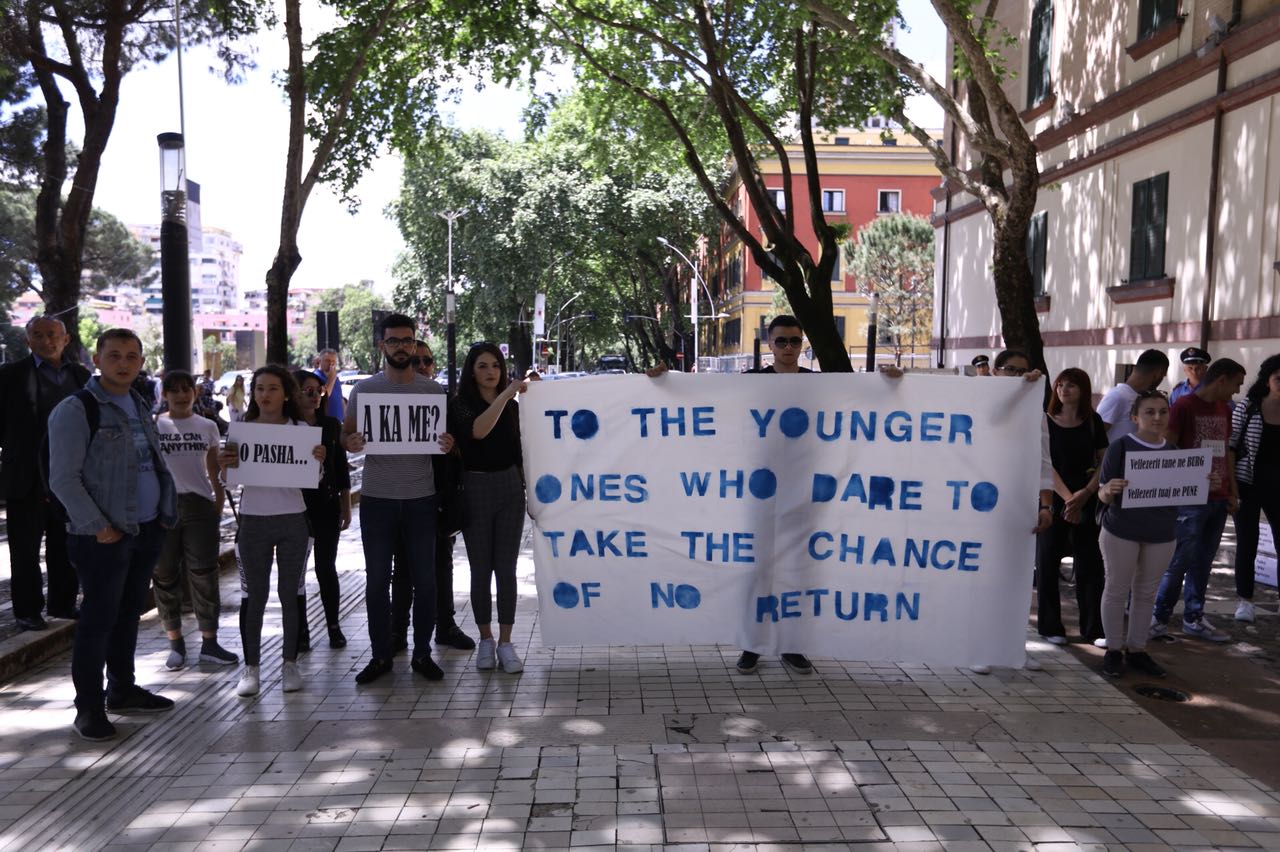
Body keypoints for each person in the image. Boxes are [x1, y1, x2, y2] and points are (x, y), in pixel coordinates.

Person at [48, 328, 178, 741]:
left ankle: (121, 688)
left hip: (145, 529)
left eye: (132, 356)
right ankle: (88, 706)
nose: (124, 363)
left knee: (127, 616)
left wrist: (161, 514)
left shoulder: (139, 403)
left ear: (141, 362)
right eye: (115, 355)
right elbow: (63, 480)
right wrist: (100, 527)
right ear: (97, 360)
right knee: (97, 621)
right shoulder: (76, 409)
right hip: (103, 536)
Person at [342, 315, 455, 684]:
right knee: (377, 582)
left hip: (422, 498)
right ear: (383, 346)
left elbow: (443, 441)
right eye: (394, 341)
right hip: (377, 499)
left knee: (425, 581)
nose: (401, 347)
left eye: (407, 341)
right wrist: (351, 443)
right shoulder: (363, 391)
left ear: (414, 343)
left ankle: (422, 653)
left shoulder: (432, 392)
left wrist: (448, 445)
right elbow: (346, 437)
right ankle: (380, 656)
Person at [219, 366, 324, 697]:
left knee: (290, 593)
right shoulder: (242, 431)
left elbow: (314, 480)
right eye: (259, 388)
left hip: (293, 520)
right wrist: (225, 465)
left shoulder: (300, 429)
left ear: (286, 394)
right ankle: (251, 669)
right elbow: (230, 482)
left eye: (272, 388)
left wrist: (318, 460)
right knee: (255, 596)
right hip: (253, 521)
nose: (265, 395)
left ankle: (289, 664)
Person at [1095, 389, 1213, 678]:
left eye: (1163, 411)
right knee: (1116, 589)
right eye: (1150, 412)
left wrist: (1205, 481)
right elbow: (1101, 493)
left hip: (1162, 533)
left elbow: (1185, 493)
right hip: (1121, 530)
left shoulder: (1174, 454)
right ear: (1135, 417)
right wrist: (1109, 490)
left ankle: (1137, 650)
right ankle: (1113, 649)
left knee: (1146, 593)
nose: (1158, 417)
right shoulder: (1120, 447)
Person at [0, 315, 89, 630]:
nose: (46, 341)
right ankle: (27, 610)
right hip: (25, 476)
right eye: (37, 335)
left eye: (52, 335)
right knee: (25, 549)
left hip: (69, 476)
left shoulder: (81, 376)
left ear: (65, 340)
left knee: (66, 544)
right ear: (27, 341)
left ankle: (63, 603)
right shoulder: (9, 375)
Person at [1150, 358, 1246, 643]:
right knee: (1179, 560)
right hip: (1190, 499)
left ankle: (1194, 616)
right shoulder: (1184, 406)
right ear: (1222, 380)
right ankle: (1158, 617)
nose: (1236, 391)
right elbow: (1169, 448)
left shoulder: (1225, 410)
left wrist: (1232, 489)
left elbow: (1227, 452)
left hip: (1218, 497)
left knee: (1204, 561)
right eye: (1236, 384)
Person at [391, 342, 475, 654]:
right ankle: (398, 632)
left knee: (442, 563)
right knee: (403, 567)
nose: (423, 366)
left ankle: (446, 626)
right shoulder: (386, 400)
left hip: (437, 496)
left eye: (427, 360)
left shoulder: (445, 400)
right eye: (416, 361)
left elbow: (465, 446)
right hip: (401, 495)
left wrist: (453, 445)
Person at [153, 371, 238, 670]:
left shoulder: (208, 425)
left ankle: (210, 642)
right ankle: (175, 643)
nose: (180, 395)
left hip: (200, 506)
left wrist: (217, 504)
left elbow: (215, 469)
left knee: (204, 573)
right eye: (173, 390)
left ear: (195, 392)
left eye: (185, 389)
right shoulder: (155, 426)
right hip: (163, 508)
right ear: (164, 394)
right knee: (164, 574)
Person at [451, 343, 528, 673]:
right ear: (472, 371)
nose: (491, 371)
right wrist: (506, 395)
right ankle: (485, 639)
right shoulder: (461, 405)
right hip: (475, 488)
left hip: (510, 487)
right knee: (481, 569)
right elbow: (478, 432)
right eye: (482, 365)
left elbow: (520, 451)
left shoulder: (512, 407)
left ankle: (507, 643)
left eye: (495, 365)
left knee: (506, 569)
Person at [1036, 368, 1108, 645]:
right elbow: (1044, 464)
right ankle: (1050, 627)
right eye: (1061, 385)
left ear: (1083, 390)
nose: (1064, 390)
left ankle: (1094, 629)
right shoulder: (1044, 421)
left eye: (1071, 386)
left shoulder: (1093, 421)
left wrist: (1085, 493)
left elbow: (1104, 460)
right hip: (1052, 499)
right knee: (1047, 563)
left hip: (1086, 499)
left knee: (1090, 564)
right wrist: (1068, 499)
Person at [293, 370, 351, 650]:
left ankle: (333, 625)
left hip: (326, 505)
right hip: (294, 508)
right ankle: (300, 629)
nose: (315, 395)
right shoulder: (285, 425)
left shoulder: (330, 425)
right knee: (296, 572)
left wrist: (346, 505)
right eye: (307, 390)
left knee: (326, 567)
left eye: (318, 390)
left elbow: (340, 467)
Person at [1229, 355, 1280, 624]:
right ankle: (1245, 601)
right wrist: (1233, 486)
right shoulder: (1249, 407)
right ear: (1267, 380)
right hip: (1248, 483)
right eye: (1278, 378)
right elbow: (1231, 445)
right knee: (1246, 543)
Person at [1097, 349, 1170, 443]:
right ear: (1158, 373)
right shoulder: (1117, 396)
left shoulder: (1140, 398)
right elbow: (1096, 435)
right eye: (1163, 376)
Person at [315, 348, 345, 421]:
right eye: (327, 361)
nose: (331, 364)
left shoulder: (335, 377)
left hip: (338, 422)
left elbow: (340, 399)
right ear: (319, 361)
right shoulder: (315, 377)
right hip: (325, 423)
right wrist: (331, 379)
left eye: (333, 361)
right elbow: (322, 398)